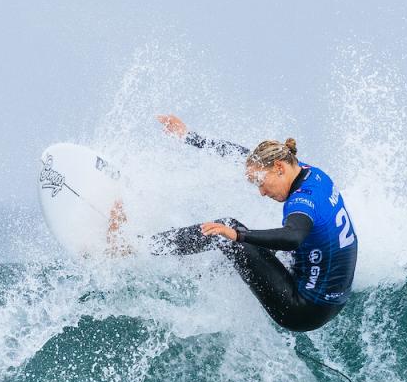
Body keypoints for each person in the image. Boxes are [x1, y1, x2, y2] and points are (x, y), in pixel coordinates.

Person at [150, 114, 359, 333]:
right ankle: (200, 267)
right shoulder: (310, 173)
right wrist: (189, 137)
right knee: (252, 248)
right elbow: (238, 154)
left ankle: (139, 246)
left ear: (279, 167)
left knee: (227, 230)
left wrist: (237, 235)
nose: (261, 192)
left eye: (260, 182)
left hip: (302, 309)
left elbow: (293, 237)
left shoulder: (302, 202)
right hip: (333, 300)